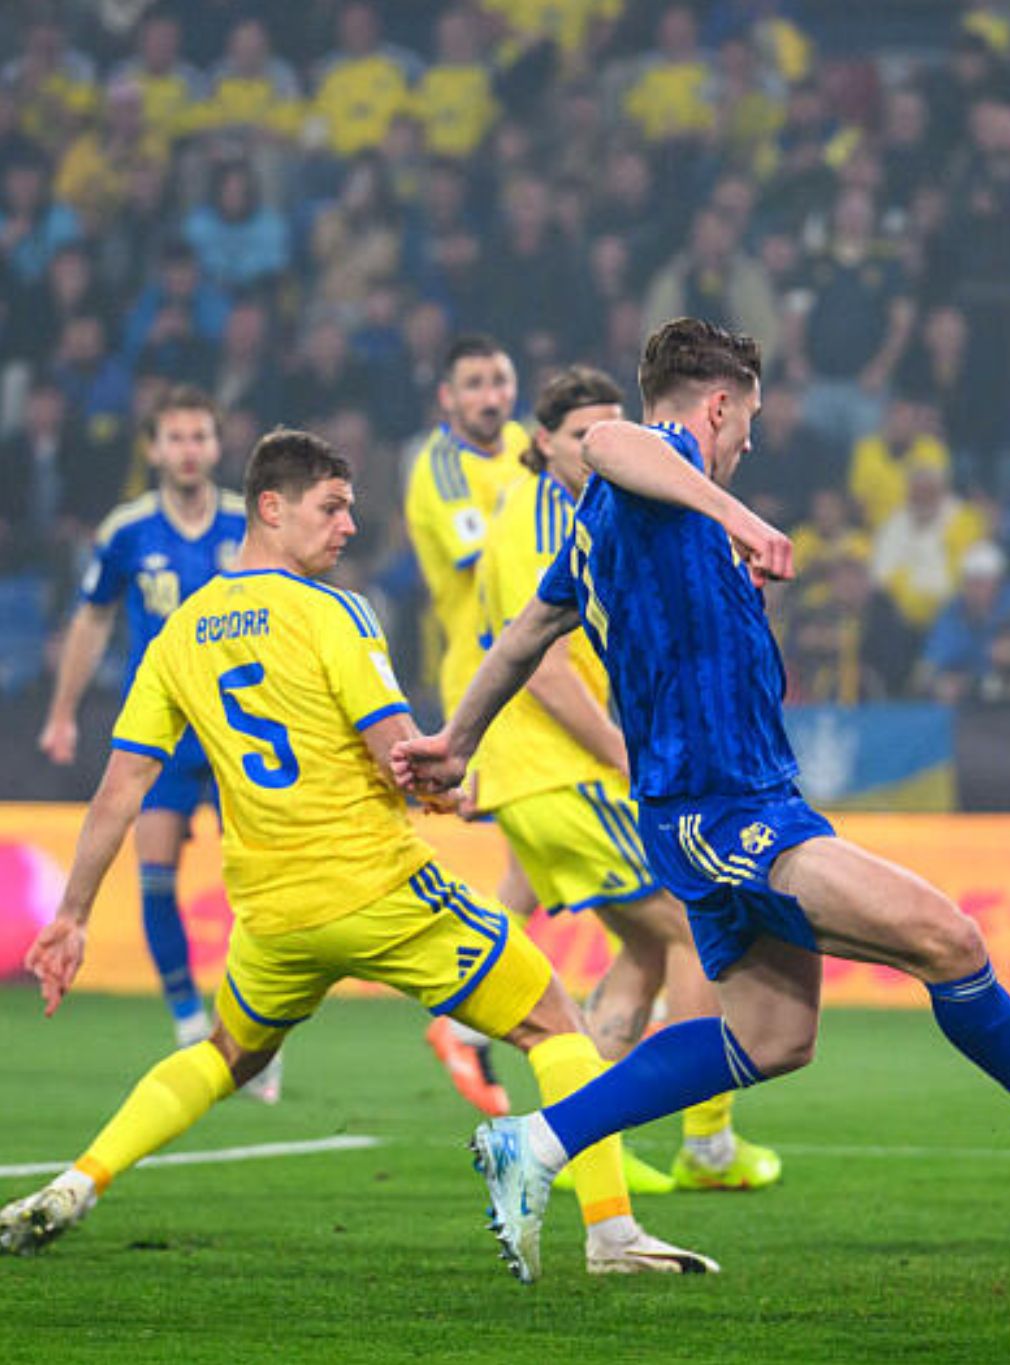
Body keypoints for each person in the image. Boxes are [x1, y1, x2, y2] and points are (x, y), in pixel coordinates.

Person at [393, 318, 1010, 1283]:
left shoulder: (606, 530)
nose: (749, 443)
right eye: (745, 421)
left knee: (774, 1037)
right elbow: (610, 442)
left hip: (707, 809)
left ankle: (534, 1145)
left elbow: (529, 630)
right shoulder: (649, 467)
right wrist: (739, 518)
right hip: (725, 811)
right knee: (949, 937)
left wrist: (456, 739)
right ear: (716, 405)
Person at [2, 430, 699, 1276]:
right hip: (377, 890)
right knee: (558, 1023)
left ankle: (80, 1177)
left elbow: (118, 789)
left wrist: (72, 915)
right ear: (271, 506)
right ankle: (611, 1234)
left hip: (270, 917)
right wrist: (447, 784)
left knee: (226, 1053)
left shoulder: (179, 633)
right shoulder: (336, 611)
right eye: (331, 508)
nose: (346, 528)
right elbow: (397, 753)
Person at [471, 364, 780, 1194]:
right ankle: (706, 1141)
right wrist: (621, 748)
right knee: (692, 923)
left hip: (542, 777)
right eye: (582, 437)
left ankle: (572, 1149)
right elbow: (541, 664)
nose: (601, 450)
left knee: (644, 950)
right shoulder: (540, 518)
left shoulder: (576, 504)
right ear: (544, 443)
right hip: (562, 772)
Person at [37, 387, 248, 1062]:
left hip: (237, 728)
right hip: (159, 732)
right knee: (156, 873)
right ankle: (189, 1016)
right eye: (175, 437)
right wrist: (64, 711)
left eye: (199, 436)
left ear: (217, 445)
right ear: (153, 448)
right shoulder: (127, 530)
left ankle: (250, 1019)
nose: (188, 449)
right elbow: (92, 617)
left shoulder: (251, 524)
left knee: (257, 884)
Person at [400, 332, 540, 1114]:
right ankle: (464, 1015)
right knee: (549, 838)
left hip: (542, 675)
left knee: (539, 851)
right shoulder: (440, 467)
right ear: (448, 397)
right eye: (476, 384)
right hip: (488, 681)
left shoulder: (524, 444)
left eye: (502, 379)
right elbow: (489, 562)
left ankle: (463, 1021)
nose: (492, 395)